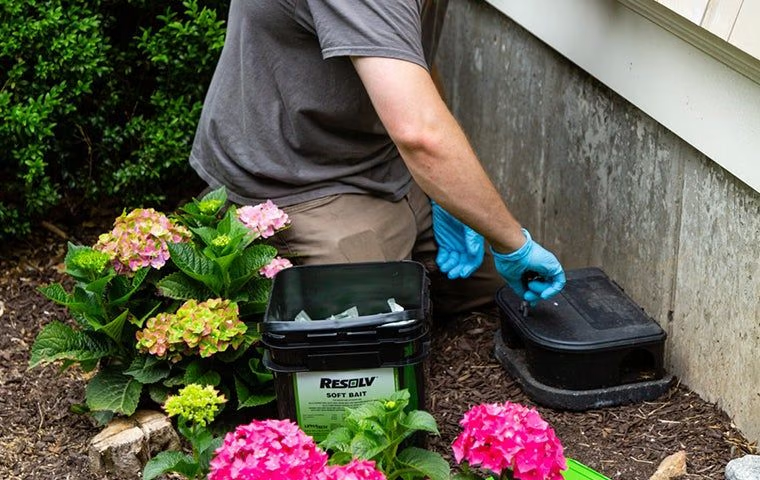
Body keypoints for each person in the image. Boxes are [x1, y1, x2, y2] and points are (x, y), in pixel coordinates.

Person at [189, 0, 565, 317]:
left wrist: (446, 191)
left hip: (380, 160)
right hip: (298, 181)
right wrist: (513, 245)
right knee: (366, 338)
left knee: (501, 290)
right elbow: (418, 132)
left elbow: (407, 58)